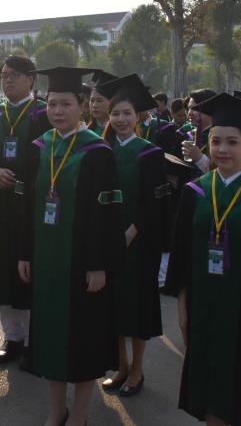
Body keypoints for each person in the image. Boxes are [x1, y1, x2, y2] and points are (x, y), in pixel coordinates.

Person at [167, 92, 241, 426]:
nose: (222, 149)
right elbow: (182, 254)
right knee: (209, 385)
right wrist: (183, 305)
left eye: (232, 142)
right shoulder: (195, 192)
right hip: (204, 305)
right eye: (216, 141)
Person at [18, 67, 124, 426]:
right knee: (49, 336)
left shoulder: (98, 152)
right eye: (52, 104)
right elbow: (26, 206)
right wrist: (24, 253)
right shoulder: (39, 147)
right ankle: (55, 410)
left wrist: (99, 264)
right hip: (46, 261)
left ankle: (79, 412)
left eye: (65, 104)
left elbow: (107, 216)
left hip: (81, 264)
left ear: (81, 106)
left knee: (82, 339)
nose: (57, 111)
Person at [0, 55, 50, 366]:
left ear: (31, 79)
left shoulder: (45, 114)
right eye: (4, 75)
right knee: (4, 268)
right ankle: (13, 337)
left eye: (14, 75)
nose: (7, 80)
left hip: (32, 205)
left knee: (29, 267)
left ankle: (35, 338)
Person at [96, 75, 168, 398]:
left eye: (127, 113)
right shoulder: (101, 149)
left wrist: (130, 233)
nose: (121, 119)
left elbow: (156, 202)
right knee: (111, 305)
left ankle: (137, 369)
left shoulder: (149, 152)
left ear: (138, 116)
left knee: (136, 307)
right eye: (116, 113)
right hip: (107, 242)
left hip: (138, 244)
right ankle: (121, 366)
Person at [180, 89, 216, 172]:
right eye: (188, 109)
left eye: (194, 109)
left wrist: (200, 158)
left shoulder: (219, 137)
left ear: (209, 109)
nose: (189, 113)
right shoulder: (190, 135)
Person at [86, 70, 116, 135]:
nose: (94, 105)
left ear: (112, 102)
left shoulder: (120, 132)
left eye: (99, 101)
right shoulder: (85, 132)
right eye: (92, 100)